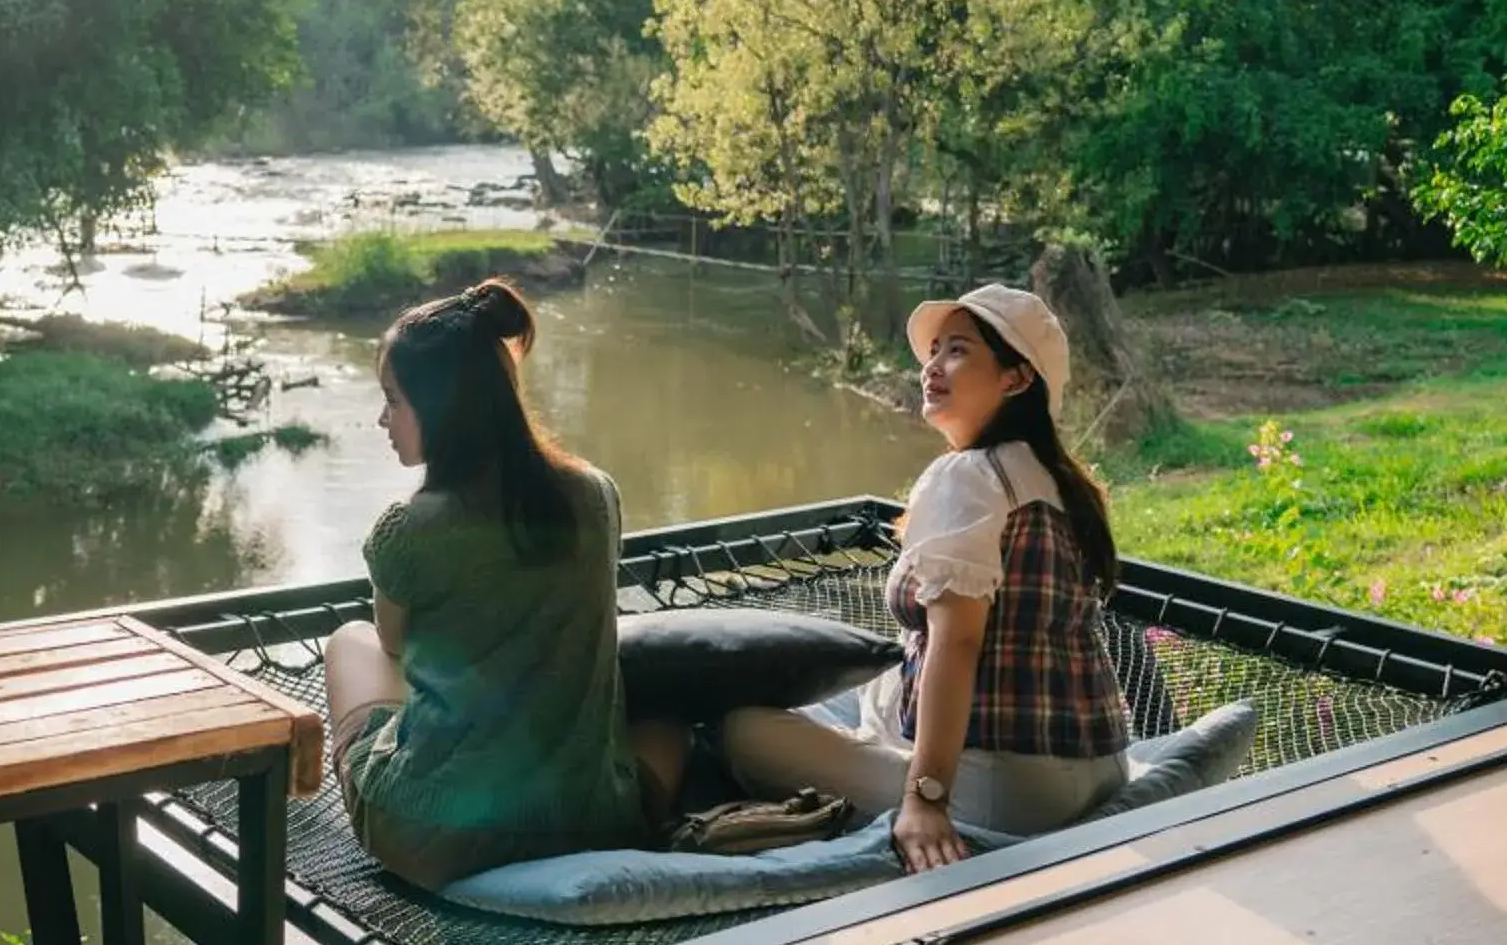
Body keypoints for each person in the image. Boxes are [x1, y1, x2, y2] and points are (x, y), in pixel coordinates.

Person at [722, 283, 1130, 872]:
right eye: (934, 351)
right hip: (1099, 766)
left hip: (1006, 792)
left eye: (958, 351)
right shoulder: (1066, 484)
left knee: (742, 734)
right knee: (874, 685)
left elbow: (958, 642)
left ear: (1016, 379)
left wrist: (926, 799)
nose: (932, 367)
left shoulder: (967, 476)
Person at [323, 278, 685, 888]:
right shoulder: (596, 495)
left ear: (441, 407)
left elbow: (394, 646)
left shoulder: (409, 529)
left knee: (350, 641)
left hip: (432, 837)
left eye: (394, 400)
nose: (382, 419)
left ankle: (376, 767)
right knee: (674, 729)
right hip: (589, 824)